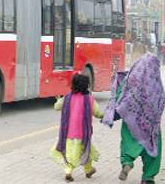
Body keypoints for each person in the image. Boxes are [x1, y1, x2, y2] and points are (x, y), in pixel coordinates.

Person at [102, 53, 165, 184]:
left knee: (128, 143)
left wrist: (114, 114)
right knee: (152, 148)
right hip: (150, 125)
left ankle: (127, 162)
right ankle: (148, 177)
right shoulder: (156, 84)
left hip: (131, 123)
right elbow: (160, 102)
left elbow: (121, 98)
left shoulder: (131, 79)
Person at [50, 74, 103, 182]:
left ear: (73, 85)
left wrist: (58, 100)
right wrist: (106, 115)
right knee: (86, 151)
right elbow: (98, 113)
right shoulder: (89, 100)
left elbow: (56, 107)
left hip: (68, 133)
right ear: (87, 86)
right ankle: (77, 171)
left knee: (70, 153)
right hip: (84, 134)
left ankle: (83, 171)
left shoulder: (67, 98)